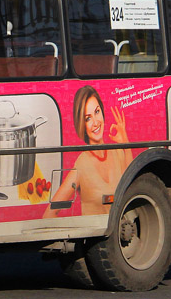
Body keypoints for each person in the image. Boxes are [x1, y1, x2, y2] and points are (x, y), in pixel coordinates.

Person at [43, 85, 134, 218]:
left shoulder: (119, 151)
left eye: (97, 112)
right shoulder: (82, 164)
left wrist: (126, 144)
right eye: (88, 118)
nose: (95, 122)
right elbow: (50, 212)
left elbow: (133, 191)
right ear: (82, 124)